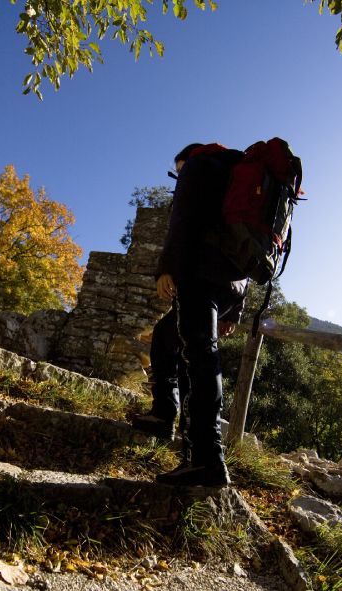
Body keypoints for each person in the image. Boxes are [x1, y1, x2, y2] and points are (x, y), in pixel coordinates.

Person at [132, 142, 248, 487]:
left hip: (201, 275)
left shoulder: (199, 168)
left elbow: (182, 220)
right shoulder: (235, 176)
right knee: (169, 339)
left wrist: (166, 268)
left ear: (186, 159)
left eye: (177, 169)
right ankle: (165, 416)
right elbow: (245, 248)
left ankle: (206, 458)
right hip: (230, 286)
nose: (177, 176)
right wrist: (235, 310)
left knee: (198, 358)